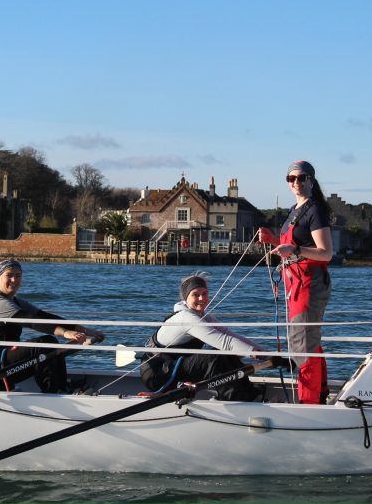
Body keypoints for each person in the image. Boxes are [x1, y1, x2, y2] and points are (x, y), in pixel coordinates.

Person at [0, 258, 104, 393]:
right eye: (9, 275)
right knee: (45, 344)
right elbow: (31, 321)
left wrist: (85, 330)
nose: (14, 280)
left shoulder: (15, 301)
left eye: (18, 276)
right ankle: (54, 392)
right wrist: (64, 333)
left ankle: (61, 388)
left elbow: (45, 317)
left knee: (50, 345)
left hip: (3, 362)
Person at [139, 273, 279, 402]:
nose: (201, 298)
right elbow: (225, 342)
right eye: (196, 294)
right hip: (157, 374)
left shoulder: (204, 316)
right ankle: (234, 398)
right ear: (185, 298)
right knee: (215, 360)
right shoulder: (185, 317)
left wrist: (265, 353)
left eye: (204, 293)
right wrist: (258, 355)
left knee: (226, 355)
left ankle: (251, 394)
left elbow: (230, 335)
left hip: (175, 366)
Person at [261, 160, 334, 405]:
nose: (296, 182)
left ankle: (309, 404)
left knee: (303, 346)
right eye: (291, 178)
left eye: (301, 178)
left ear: (311, 181)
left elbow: (325, 253)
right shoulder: (294, 210)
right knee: (306, 342)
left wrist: (295, 248)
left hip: (309, 286)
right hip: (295, 287)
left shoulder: (315, 210)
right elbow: (291, 250)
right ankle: (319, 395)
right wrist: (273, 241)